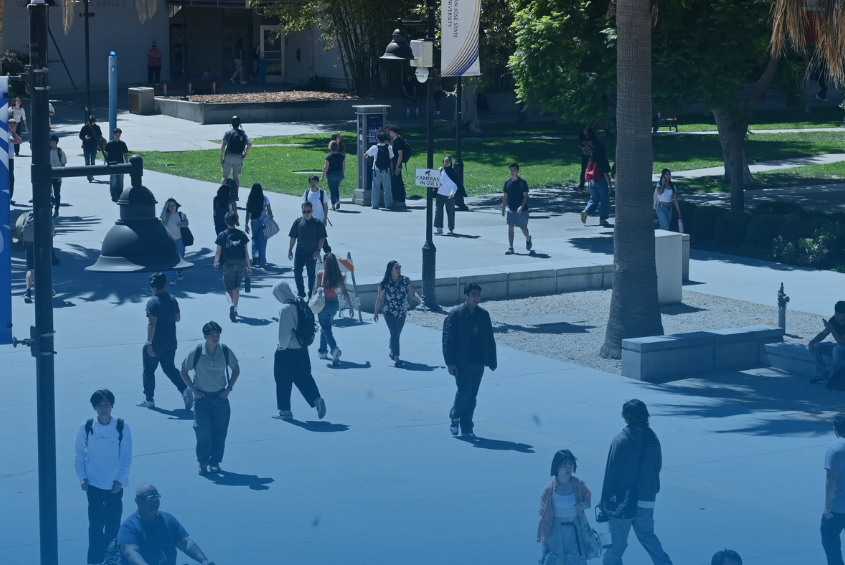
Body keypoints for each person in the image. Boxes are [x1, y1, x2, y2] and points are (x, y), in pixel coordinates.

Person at [600, 399, 673, 565]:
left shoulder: (620, 440)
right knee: (648, 537)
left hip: (622, 502)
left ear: (626, 417)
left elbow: (610, 474)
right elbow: (657, 466)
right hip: (647, 499)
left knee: (617, 546)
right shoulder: (653, 438)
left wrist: (604, 502)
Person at [74, 389, 133, 565]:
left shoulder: (122, 426)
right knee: (95, 526)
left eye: (107, 404)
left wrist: (120, 479)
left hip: (115, 486)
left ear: (112, 405)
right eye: (100, 405)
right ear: (95, 407)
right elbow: (79, 454)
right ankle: (94, 561)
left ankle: (111, 559)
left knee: (113, 525)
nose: (104, 408)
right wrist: (82, 477)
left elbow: (126, 456)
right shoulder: (86, 426)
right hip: (93, 485)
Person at [179, 322, 240, 475]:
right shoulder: (197, 352)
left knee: (220, 433)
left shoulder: (225, 351)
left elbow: (236, 370)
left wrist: (228, 389)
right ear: (205, 336)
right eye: (212, 335)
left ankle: (215, 462)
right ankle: (203, 462)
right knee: (203, 432)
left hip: (221, 399)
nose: (215, 337)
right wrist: (194, 391)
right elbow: (183, 372)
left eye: (217, 334)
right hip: (202, 400)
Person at [443, 283, 497, 437]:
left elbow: (489, 338)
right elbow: (447, 340)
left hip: (479, 362)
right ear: (466, 295)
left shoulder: (483, 315)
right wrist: (450, 363)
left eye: (478, 294)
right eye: (473, 294)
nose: (476, 297)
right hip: (462, 362)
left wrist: (492, 361)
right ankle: (455, 417)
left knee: (472, 395)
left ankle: (467, 427)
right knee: (465, 391)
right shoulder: (456, 314)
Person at [118, 483, 216, 564]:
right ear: (137, 501)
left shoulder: (168, 519)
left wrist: (203, 561)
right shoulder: (128, 527)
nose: (154, 501)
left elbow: (185, 543)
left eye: (157, 497)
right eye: (149, 498)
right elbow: (132, 553)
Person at [271, 281, 327, 420]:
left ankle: (285, 410)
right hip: (302, 348)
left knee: (283, 379)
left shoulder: (285, 309)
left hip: (287, 350)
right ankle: (315, 398)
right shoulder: (300, 302)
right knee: (303, 375)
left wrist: (280, 348)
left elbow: (284, 335)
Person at [136, 272, 190, 410]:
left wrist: (149, 343)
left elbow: (152, 324)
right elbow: (178, 318)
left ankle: (149, 399)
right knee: (169, 368)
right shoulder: (172, 299)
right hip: (171, 341)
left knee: (148, 370)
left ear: (152, 286)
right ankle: (184, 390)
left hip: (156, 342)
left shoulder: (153, 302)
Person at [537, 450, 592, 565]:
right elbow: (545, 518)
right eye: (565, 465)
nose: (569, 468)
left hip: (575, 529)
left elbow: (588, 500)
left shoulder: (578, 484)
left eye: (571, 465)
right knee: (557, 561)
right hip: (556, 530)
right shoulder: (549, 489)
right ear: (557, 466)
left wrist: (584, 505)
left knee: (579, 560)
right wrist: (545, 541)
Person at [373, 260, 424, 368]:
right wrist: (376, 312)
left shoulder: (405, 280)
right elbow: (380, 299)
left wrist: (421, 301)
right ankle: (396, 358)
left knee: (396, 334)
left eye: (399, 267)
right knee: (395, 334)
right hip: (389, 312)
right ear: (390, 270)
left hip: (402, 312)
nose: (399, 269)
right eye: (396, 268)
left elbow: (412, 293)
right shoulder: (384, 283)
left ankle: (392, 349)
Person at [316, 253, 354, 364]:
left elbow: (316, 290)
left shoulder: (320, 274)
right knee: (325, 326)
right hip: (334, 305)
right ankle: (323, 351)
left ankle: (334, 348)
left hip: (323, 304)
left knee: (326, 328)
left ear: (324, 262)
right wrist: (350, 307)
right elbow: (345, 292)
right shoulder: (339, 276)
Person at [214, 211, 251, 323]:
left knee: (228, 288)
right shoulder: (242, 234)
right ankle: (235, 309)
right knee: (236, 287)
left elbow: (218, 251)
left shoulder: (222, 235)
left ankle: (230, 304)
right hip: (240, 263)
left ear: (226, 221)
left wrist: (216, 261)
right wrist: (249, 266)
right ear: (236, 220)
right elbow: (246, 252)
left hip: (227, 263)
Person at [288, 201, 327, 299]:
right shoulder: (298, 222)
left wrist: (318, 250)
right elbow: (293, 237)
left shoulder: (317, 223)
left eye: (308, 211)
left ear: (312, 211)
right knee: (297, 271)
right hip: (300, 252)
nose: (306, 213)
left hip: (312, 253)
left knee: (311, 274)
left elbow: (322, 238)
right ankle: (301, 292)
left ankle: (311, 292)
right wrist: (290, 249)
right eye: (304, 211)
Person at [823, 413, 845, 565]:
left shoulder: (834, 449)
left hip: (838, 507)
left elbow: (832, 479)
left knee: (829, 537)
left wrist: (827, 504)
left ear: (835, 430)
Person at [20, 211, 56, 304]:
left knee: (31, 269)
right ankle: (47, 289)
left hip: (28, 244)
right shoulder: (47, 216)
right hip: (41, 245)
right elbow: (52, 233)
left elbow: (21, 229)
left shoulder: (28, 215)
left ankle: (28, 292)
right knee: (45, 268)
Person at [809, 301, 845, 385]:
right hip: (839, 347)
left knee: (837, 349)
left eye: (839, 314)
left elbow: (843, 343)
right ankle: (822, 375)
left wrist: (832, 329)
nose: (837, 316)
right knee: (816, 346)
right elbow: (823, 334)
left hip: (842, 347)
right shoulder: (834, 319)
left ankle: (832, 378)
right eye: (836, 313)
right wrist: (812, 342)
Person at [580, 141, 613, 228]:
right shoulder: (603, 160)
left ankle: (586, 211)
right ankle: (603, 219)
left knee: (594, 199)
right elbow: (606, 174)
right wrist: (610, 185)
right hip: (601, 181)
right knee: (604, 200)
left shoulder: (591, 158)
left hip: (592, 181)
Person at [502, 163, 532, 255]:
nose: (512, 172)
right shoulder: (507, 183)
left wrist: (521, 207)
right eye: (511, 170)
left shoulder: (522, 182)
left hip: (522, 210)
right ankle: (511, 247)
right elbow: (505, 196)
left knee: (523, 228)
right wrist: (503, 208)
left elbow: (525, 196)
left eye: (514, 170)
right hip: (510, 208)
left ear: (518, 171)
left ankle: (528, 238)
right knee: (510, 226)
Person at [159, 198, 188, 285]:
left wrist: (182, 224)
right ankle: (173, 277)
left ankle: (179, 271)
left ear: (176, 206)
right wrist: (165, 207)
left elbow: (186, 223)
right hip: (169, 241)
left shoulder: (181, 215)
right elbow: (162, 218)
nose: (172, 207)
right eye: (170, 206)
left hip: (179, 239)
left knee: (180, 256)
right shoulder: (166, 215)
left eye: (173, 205)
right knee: (171, 259)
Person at [220, 116, 251, 197]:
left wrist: (221, 157)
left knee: (225, 176)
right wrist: (245, 154)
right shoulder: (243, 133)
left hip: (229, 156)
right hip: (238, 157)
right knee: (235, 176)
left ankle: (223, 194)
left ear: (231, 123)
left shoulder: (228, 132)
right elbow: (249, 144)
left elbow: (223, 145)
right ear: (239, 123)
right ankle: (235, 193)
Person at [244, 183, 273, 268]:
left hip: (254, 222)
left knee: (254, 238)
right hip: (264, 222)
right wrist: (271, 219)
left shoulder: (250, 200)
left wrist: (246, 224)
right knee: (263, 241)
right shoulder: (265, 199)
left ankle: (255, 255)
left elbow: (247, 213)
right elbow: (269, 211)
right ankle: (262, 261)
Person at [364, 132, 394, 210]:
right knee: (387, 188)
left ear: (378, 139)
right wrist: (392, 170)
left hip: (376, 169)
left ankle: (375, 205)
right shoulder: (389, 147)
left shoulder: (374, 147)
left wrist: (367, 155)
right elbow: (391, 160)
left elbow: (366, 155)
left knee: (375, 187)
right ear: (385, 139)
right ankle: (388, 204)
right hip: (386, 169)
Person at [104, 128, 130, 202]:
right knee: (114, 180)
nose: (118, 136)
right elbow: (106, 153)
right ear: (113, 135)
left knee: (120, 181)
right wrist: (105, 161)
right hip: (112, 164)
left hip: (121, 164)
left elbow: (125, 153)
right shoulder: (110, 144)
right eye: (116, 135)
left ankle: (120, 194)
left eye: (119, 135)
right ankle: (114, 195)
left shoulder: (122, 144)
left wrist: (127, 162)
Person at [435, 155, 459, 235]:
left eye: (448, 161)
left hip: (449, 195)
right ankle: (439, 227)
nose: (446, 163)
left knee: (450, 212)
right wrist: (437, 184)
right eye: (445, 161)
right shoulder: (440, 170)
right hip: (440, 194)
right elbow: (435, 180)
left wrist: (452, 193)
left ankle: (451, 228)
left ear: (451, 162)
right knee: (438, 210)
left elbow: (456, 184)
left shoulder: (453, 172)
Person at [386, 124, 407, 207]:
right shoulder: (395, 140)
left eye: (389, 131)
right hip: (394, 163)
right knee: (394, 181)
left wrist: (397, 167)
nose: (388, 133)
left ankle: (401, 200)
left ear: (393, 132)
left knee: (398, 182)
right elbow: (392, 144)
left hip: (396, 163)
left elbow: (400, 155)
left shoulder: (399, 141)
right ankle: (395, 199)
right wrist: (386, 141)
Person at [322, 140, 346, 210]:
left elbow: (326, 167)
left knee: (332, 189)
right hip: (339, 174)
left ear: (330, 148)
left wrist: (322, 176)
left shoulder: (329, 157)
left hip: (331, 174)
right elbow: (343, 167)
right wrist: (343, 174)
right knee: (336, 188)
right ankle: (338, 200)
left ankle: (333, 205)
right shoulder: (342, 156)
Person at [79, 115, 103, 182]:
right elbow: (80, 135)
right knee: (87, 161)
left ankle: (91, 174)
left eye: (93, 122)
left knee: (93, 161)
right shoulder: (84, 128)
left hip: (94, 146)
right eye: (90, 122)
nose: (92, 123)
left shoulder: (97, 127)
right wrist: (85, 138)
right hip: (86, 146)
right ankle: (88, 174)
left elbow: (100, 135)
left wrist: (98, 144)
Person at [49, 134, 67, 217]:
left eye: (51, 141)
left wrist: (60, 176)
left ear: (55, 142)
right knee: (48, 192)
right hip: (48, 175)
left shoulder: (60, 152)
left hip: (57, 176)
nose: (49, 142)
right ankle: (49, 208)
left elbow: (63, 165)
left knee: (57, 193)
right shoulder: (47, 151)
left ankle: (56, 210)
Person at [578, 126, 598, 191]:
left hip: (592, 156)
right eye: (584, 131)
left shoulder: (593, 139)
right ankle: (582, 185)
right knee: (583, 170)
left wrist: (590, 144)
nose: (585, 132)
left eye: (586, 131)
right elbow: (580, 146)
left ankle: (593, 184)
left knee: (592, 170)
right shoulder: (582, 138)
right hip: (584, 156)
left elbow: (596, 147)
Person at [7, 119, 21, 204]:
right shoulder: (7, 133)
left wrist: (14, 132)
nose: (15, 128)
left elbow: (20, 141)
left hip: (10, 158)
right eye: (14, 126)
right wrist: (13, 132)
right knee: (9, 178)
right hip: (7, 158)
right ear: (10, 126)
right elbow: (16, 141)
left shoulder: (11, 133)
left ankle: (10, 196)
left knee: (11, 178)